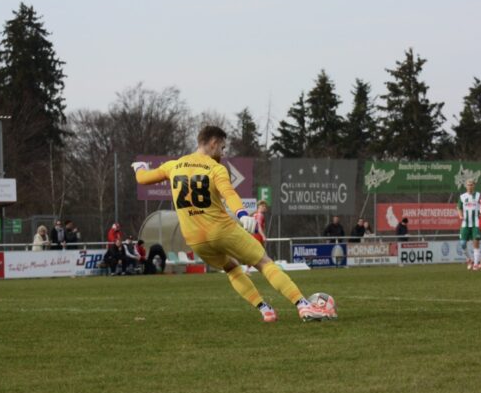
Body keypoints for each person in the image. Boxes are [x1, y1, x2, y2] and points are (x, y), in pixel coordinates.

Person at [132, 125, 335, 322]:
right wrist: (243, 214)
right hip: (221, 230)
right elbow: (229, 194)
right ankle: (303, 305)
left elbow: (143, 179)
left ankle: (266, 310)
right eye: (222, 147)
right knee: (264, 262)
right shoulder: (215, 168)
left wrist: (139, 167)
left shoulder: (173, 166)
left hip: (195, 239)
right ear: (213, 142)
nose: (223, 152)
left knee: (231, 268)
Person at [457, 179, 481, 271]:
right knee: (462, 243)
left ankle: (475, 264)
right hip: (465, 223)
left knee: (476, 243)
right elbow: (459, 207)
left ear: (474, 186)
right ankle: (469, 259)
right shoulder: (462, 196)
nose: (470, 186)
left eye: (471, 184)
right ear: (466, 186)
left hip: (476, 223)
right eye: (468, 184)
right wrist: (460, 215)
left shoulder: (479, 195)